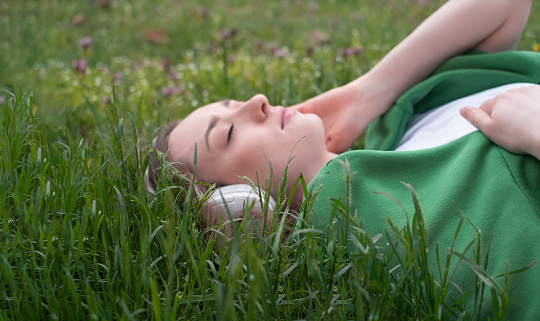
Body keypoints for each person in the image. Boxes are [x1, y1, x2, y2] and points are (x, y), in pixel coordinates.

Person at [145, 0, 540, 318]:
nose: (257, 101)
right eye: (229, 133)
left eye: (234, 103)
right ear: (237, 202)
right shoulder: (404, 229)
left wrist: (370, 90)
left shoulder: (404, 118)